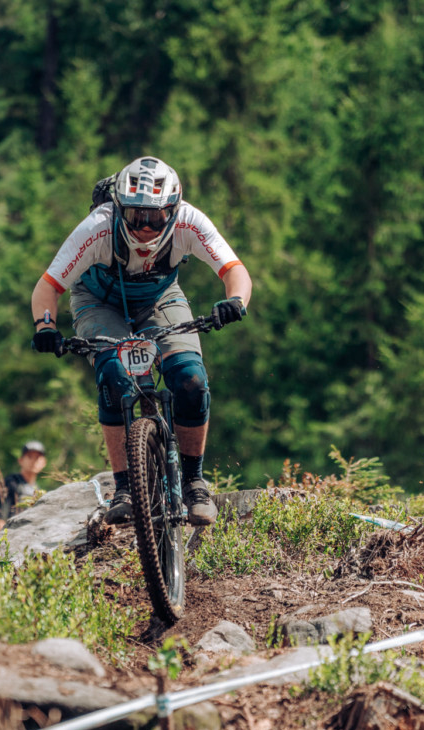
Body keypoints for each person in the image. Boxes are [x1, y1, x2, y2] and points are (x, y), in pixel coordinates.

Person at [29, 156, 252, 527]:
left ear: (173, 211)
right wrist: (46, 327)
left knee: (190, 377)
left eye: (155, 218)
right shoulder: (97, 227)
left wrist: (235, 301)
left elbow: (235, 271)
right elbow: (47, 286)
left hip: (159, 300)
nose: (146, 228)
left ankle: (194, 482)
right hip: (98, 302)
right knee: (114, 376)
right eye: (135, 217)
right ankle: (124, 489)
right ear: (119, 209)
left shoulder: (190, 222)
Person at [0, 441, 47, 533]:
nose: (33, 461)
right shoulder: (10, 483)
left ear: (44, 463)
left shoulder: (39, 491)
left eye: (37, 458)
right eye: (29, 457)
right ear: (20, 460)